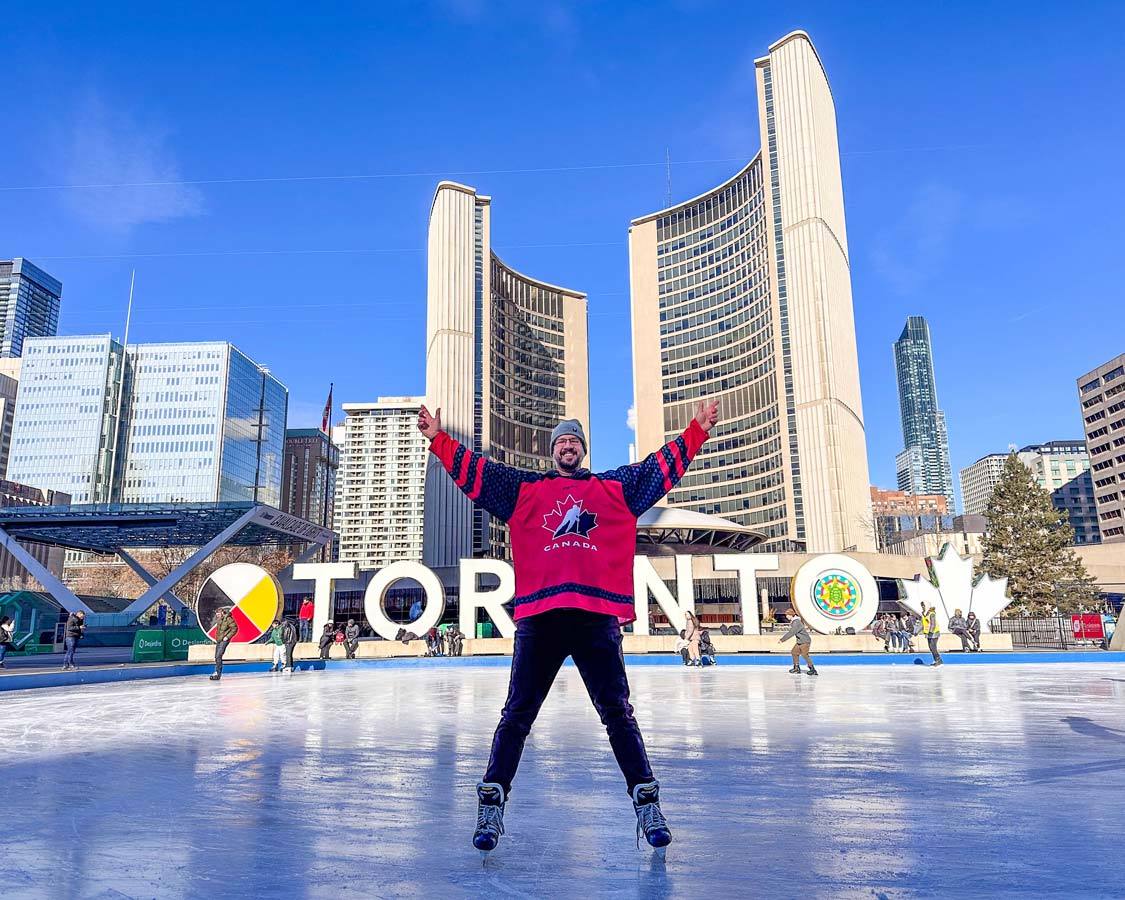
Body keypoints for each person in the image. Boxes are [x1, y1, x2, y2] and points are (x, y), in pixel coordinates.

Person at [419, 397, 718, 858]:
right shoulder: (527, 489)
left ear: (583, 450)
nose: (568, 448)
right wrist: (440, 440)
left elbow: (658, 470)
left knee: (618, 713)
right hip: (541, 617)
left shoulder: (611, 487)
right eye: (561, 442)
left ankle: (648, 805)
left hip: (595, 616)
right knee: (517, 715)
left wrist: (695, 431)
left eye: (575, 441)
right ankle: (492, 804)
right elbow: (479, 474)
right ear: (552, 451)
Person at [779, 607, 817, 675]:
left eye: (787, 615)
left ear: (791, 615)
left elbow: (792, 632)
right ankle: (796, 668)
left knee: (804, 654)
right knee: (794, 652)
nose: (786, 617)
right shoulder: (794, 621)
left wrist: (782, 640)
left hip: (805, 641)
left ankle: (812, 669)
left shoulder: (796, 622)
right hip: (800, 641)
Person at [209, 608, 238, 681]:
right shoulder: (220, 619)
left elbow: (235, 628)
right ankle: (216, 672)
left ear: (222, 612)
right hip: (219, 640)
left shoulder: (228, 619)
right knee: (216, 656)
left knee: (219, 655)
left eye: (218, 614)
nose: (217, 615)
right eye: (216, 614)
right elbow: (219, 630)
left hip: (224, 640)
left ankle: (218, 673)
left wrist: (227, 637)